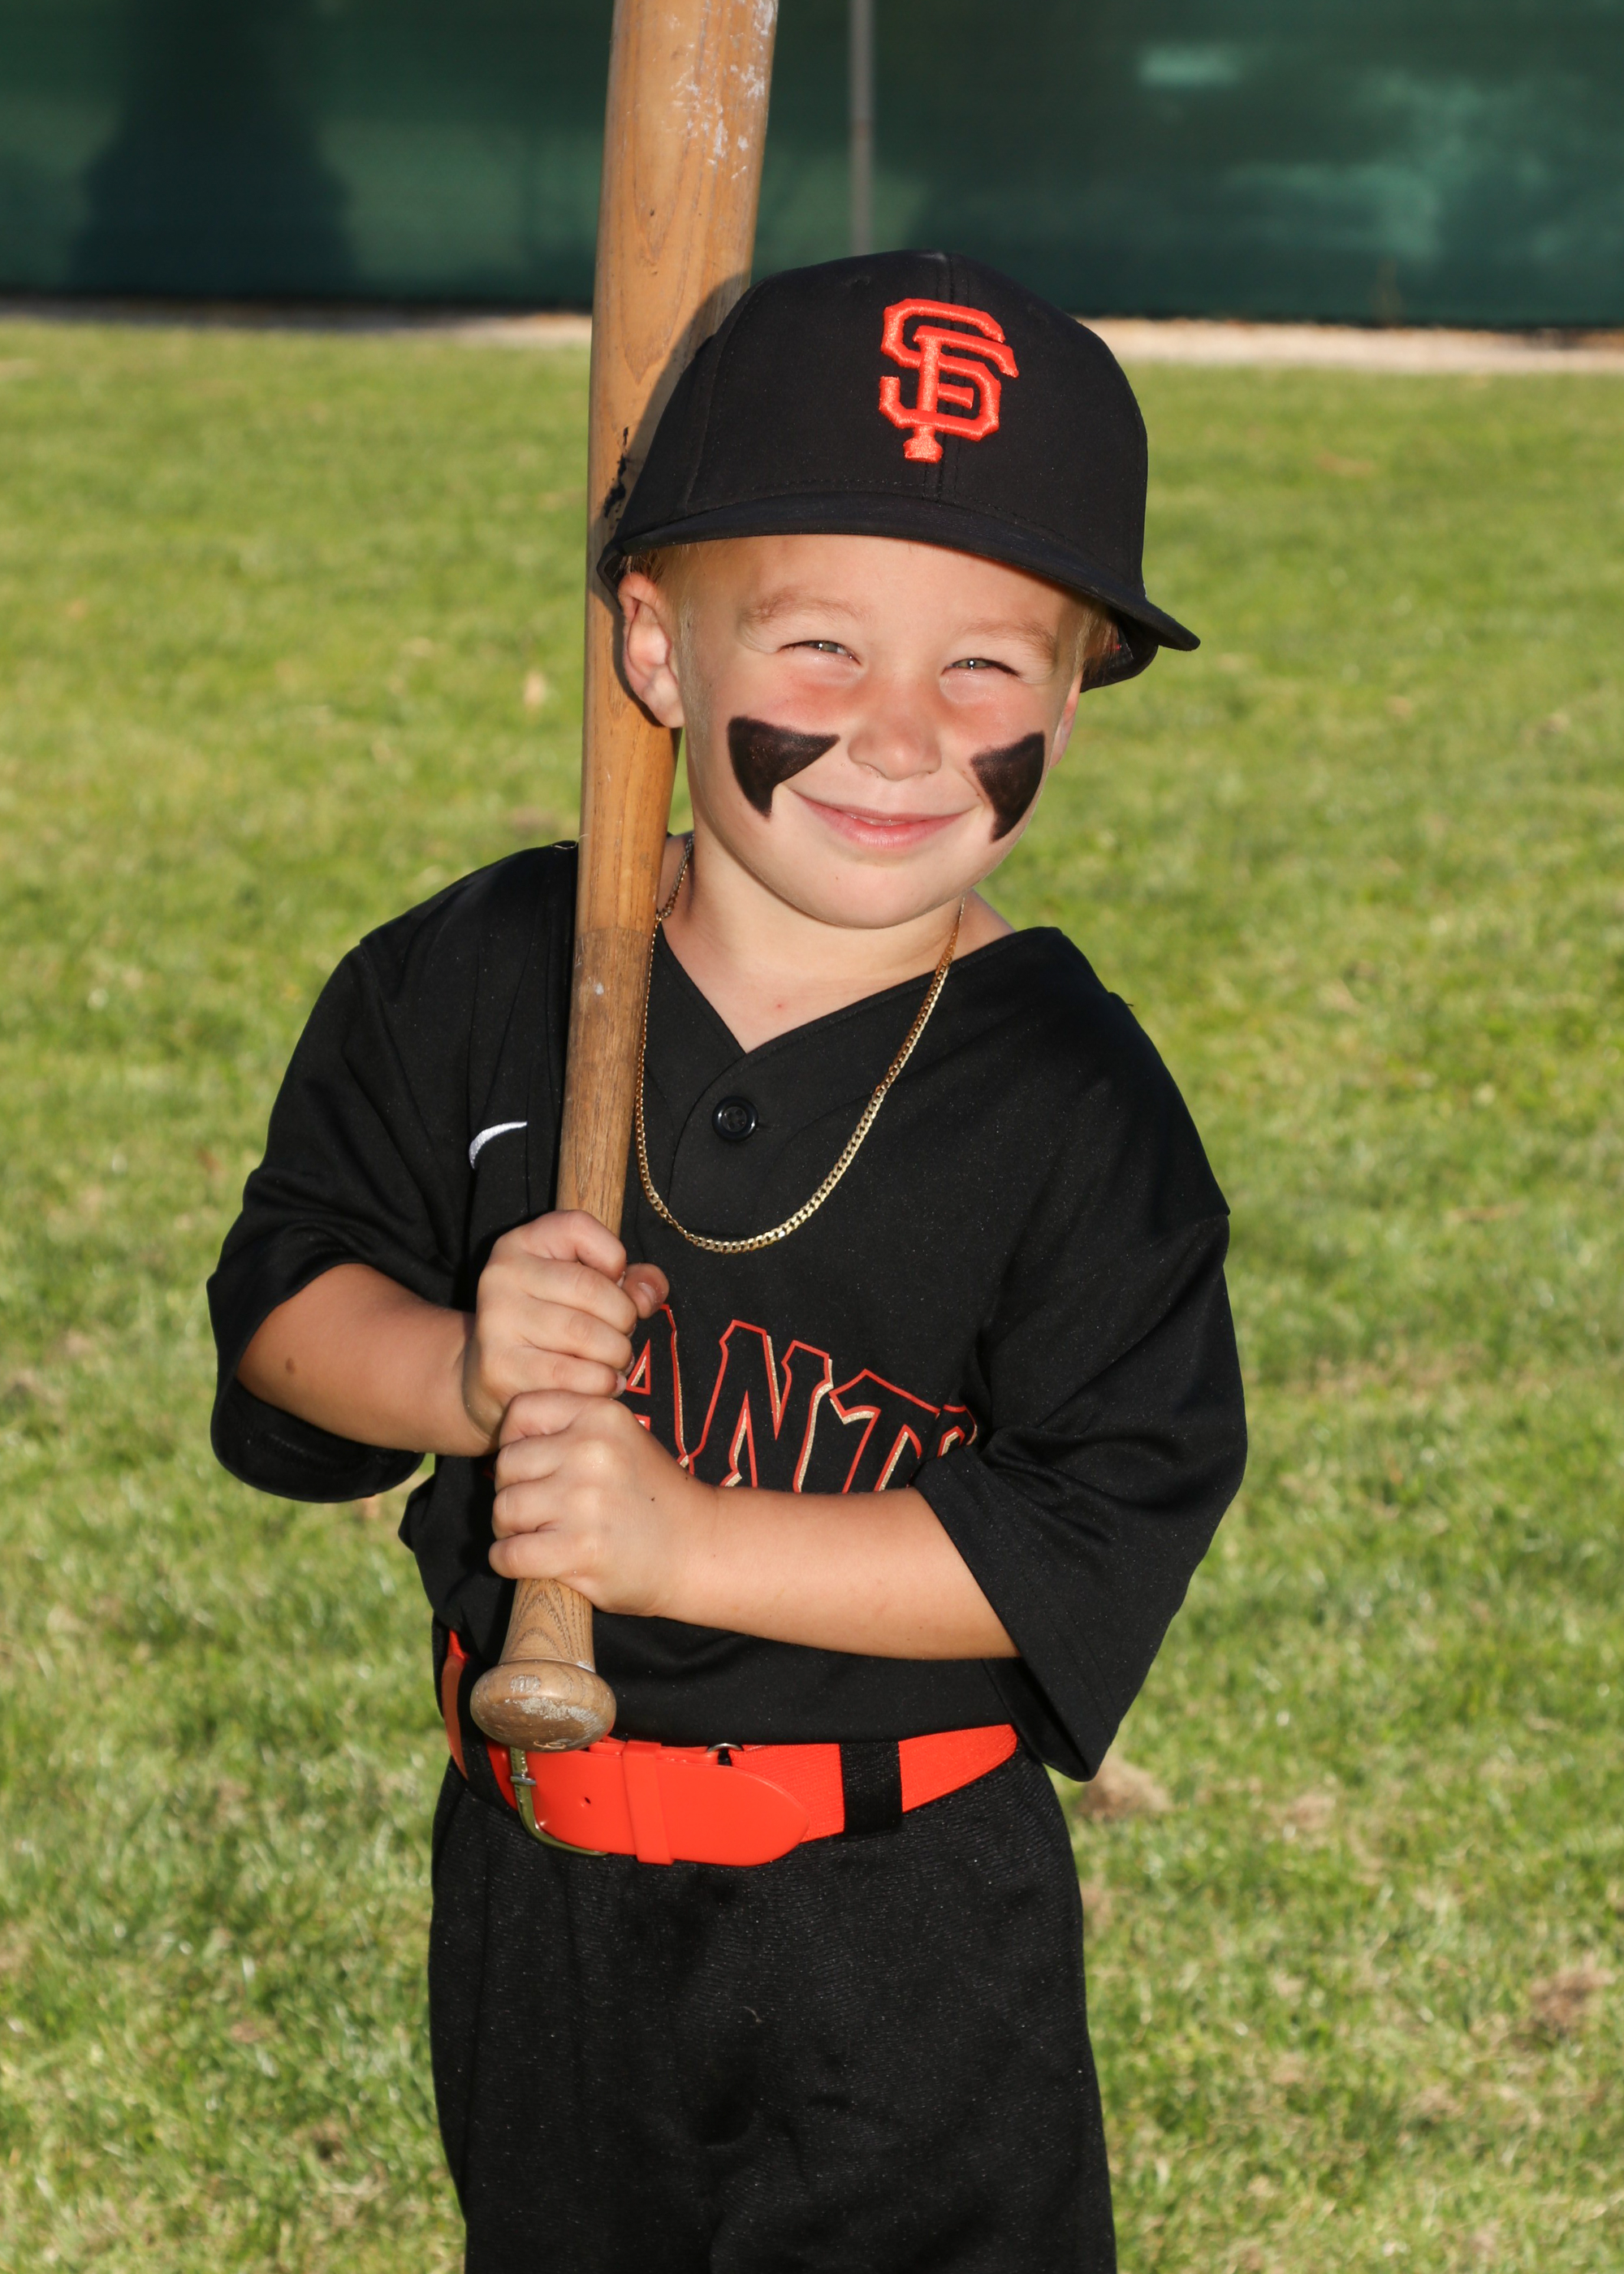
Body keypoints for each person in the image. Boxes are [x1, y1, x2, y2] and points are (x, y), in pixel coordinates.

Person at [209, 251, 1246, 2272]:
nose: (900, 735)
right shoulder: (477, 976)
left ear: (1074, 694)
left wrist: (685, 1541)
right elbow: (282, 1308)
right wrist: (458, 1374)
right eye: (821, 644)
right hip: (540, 1911)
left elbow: (1083, 1535)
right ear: (657, 646)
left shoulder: (1079, 1108)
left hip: (905, 1941)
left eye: (986, 667)